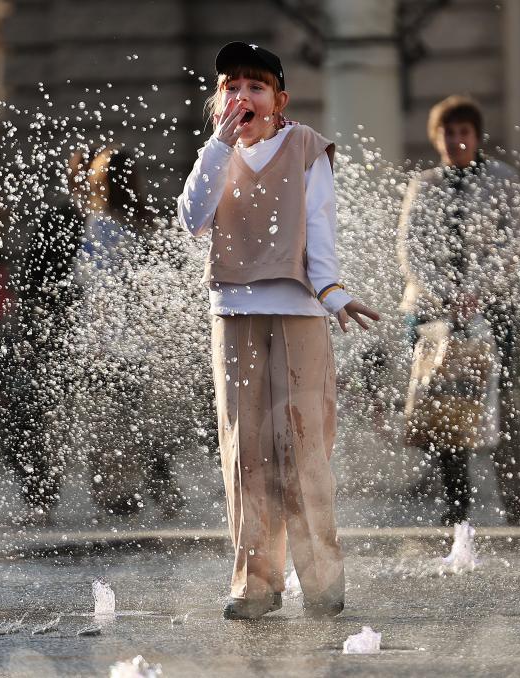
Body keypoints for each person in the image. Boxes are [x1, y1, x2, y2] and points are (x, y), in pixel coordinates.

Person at [177, 42, 380, 620]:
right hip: (233, 312)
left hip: (300, 312)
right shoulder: (213, 154)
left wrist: (333, 292)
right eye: (231, 86)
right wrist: (218, 143)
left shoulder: (306, 148)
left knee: (303, 443)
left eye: (255, 86)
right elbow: (192, 218)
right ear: (218, 99)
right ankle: (254, 583)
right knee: (246, 450)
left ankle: (321, 579)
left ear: (279, 99)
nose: (242, 97)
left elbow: (319, 227)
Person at [398, 94, 520, 527]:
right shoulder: (425, 183)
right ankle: (454, 503)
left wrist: (476, 291)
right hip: (432, 310)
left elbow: (510, 241)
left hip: (490, 307)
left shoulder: (502, 179)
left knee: (500, 399)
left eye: (464, 133)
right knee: (442, 402)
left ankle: (513, 499)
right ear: (437, 138)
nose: (456, 141)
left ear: (476, 137)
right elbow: (410, 246)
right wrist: (443, 295)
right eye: (448, 133)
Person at [80, 145, 187, 519]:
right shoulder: (143, 223)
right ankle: (160, 489)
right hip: (139, 342)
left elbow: (95, 283)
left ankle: (114, 493)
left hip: (107, 341)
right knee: (137, 418)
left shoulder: (100, 225)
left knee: (109, 421)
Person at [0, 148, 87, 523]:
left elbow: (31, 279)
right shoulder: (62, 217)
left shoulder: (80, 219)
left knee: (38, 410)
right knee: (35, 409)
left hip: (75, 330)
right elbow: (33, 280)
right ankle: (41, 494)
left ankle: (47, 495)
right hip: (57, 328)